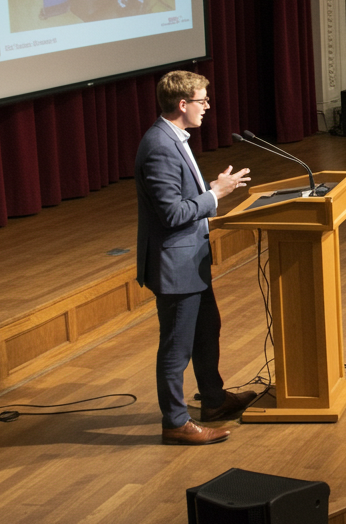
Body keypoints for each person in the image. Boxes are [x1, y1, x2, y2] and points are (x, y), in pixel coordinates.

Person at [136, 71, 255, 445]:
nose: (208, 106)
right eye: (202, 101)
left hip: (191, 261)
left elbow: (185, 197)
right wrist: (216, 193)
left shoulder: (175, 138)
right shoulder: (159, 145)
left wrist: (214, 189)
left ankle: (215, 400)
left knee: (208, 330)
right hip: (174, 266)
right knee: (176, 347)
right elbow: (171, 213)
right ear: (182, 104)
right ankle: (174, 421)